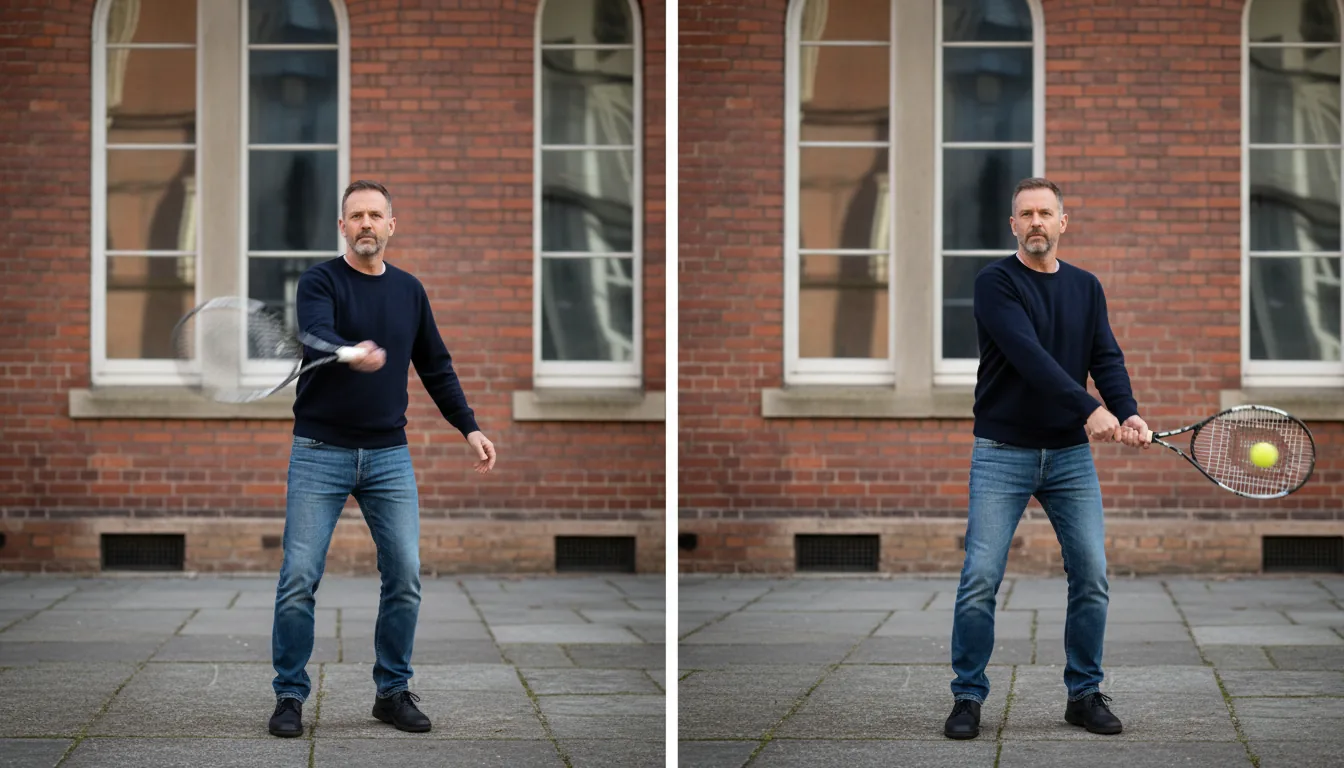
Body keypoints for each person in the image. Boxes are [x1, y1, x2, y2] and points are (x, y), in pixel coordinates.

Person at [267, 180, 496, 738]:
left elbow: (436, 366)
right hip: (320, 451)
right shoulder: (320, 281)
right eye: (355, 216)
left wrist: (468, 426)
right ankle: (289, 696)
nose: (365, 223)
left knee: (406, 575)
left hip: (389, 455)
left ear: (392, 225)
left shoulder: (410, 292)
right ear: (342, 227)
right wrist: (349, 351)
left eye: (375, 215)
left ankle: (392, 692)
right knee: (299, 576)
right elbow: (317, 333)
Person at [943, 177, 1146, 740]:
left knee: (1092, 574)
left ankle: (1084, 693)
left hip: (1068, 459)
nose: (1035, 222)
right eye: (1025, 214)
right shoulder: (994, 283)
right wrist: (1090, 408)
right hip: (1002, 451)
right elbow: (1027, 355)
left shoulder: (1086, 286)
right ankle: (967, 697)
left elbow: (1105, 355)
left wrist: (1126, 412)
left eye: (1045, 213)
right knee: (981, 576)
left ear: (1063, 223)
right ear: (1013, 225)